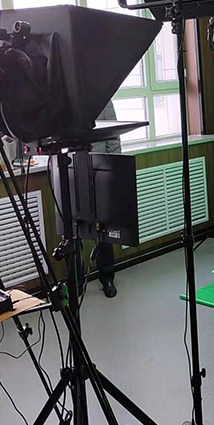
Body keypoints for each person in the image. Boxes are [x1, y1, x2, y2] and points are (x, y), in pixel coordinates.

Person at [91, 101, 121, 298]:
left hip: (100, 167)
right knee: (71, 229)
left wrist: (114, 168)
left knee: (104, 225)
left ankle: (107, 276)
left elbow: (113, 136)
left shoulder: (103, 97)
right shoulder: (62, 95)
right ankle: (75, 280)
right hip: (70, 166)